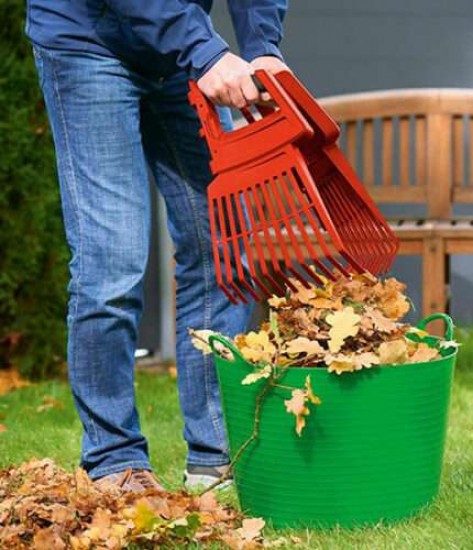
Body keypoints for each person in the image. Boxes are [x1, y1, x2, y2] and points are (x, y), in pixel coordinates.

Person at [26, 0, 289, 491]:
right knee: (113, 262)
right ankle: (114, 458)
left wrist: (262, 47)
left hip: (174, 51)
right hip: (88, 43)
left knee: (222, 247)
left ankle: (213, 458)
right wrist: (206, 52)